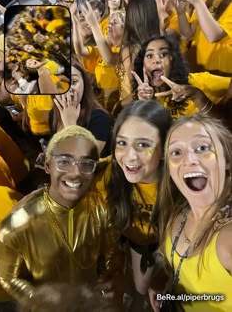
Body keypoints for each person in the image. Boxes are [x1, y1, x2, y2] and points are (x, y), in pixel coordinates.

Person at [0, 125, 124, 312]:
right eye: (64, 162)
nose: (75, 172)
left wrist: (112, 280)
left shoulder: (100, 211)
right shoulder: (18, 221)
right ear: (47, 166)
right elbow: (9, 278)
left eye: (86, 164)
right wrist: (43, 300)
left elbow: (112, 257)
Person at [149, 113, 232, 312]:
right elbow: (178, 265)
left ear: (227, 160)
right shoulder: (178, 214)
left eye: (203, 148)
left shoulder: (228, 238)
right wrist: (161, 282)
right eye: (176, 152)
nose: (190, 160)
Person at [94, 100, 172, 309]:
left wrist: (164, 274)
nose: (129, 156)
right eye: (122, 143)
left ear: (165, 147)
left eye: (143, 145)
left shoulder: (180, 182)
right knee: (139, 288)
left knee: (152, 291)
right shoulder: (106, 173)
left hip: (167, 247)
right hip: (133, 242)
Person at [132, 34, 231, 119]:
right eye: (149, 56)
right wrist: (144, 105)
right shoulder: (142, 95)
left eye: (163, 54)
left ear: (173, 60)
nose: (156, 60)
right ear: (142, 64)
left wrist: (197, 95)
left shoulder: (199, 82)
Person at [50, 62, 112, 157]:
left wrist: (70, 124)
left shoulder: (100, 118)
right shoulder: (53, 114)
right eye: (61, 84)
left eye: (74, 82)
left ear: (84, 84)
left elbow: (85, 159)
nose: (69, 89)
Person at [174, 0, 232, 75]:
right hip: (197, 69)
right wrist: (181, 13)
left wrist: (197, 2)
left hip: (220, 73)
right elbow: (188, 34)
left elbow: (213, 36)